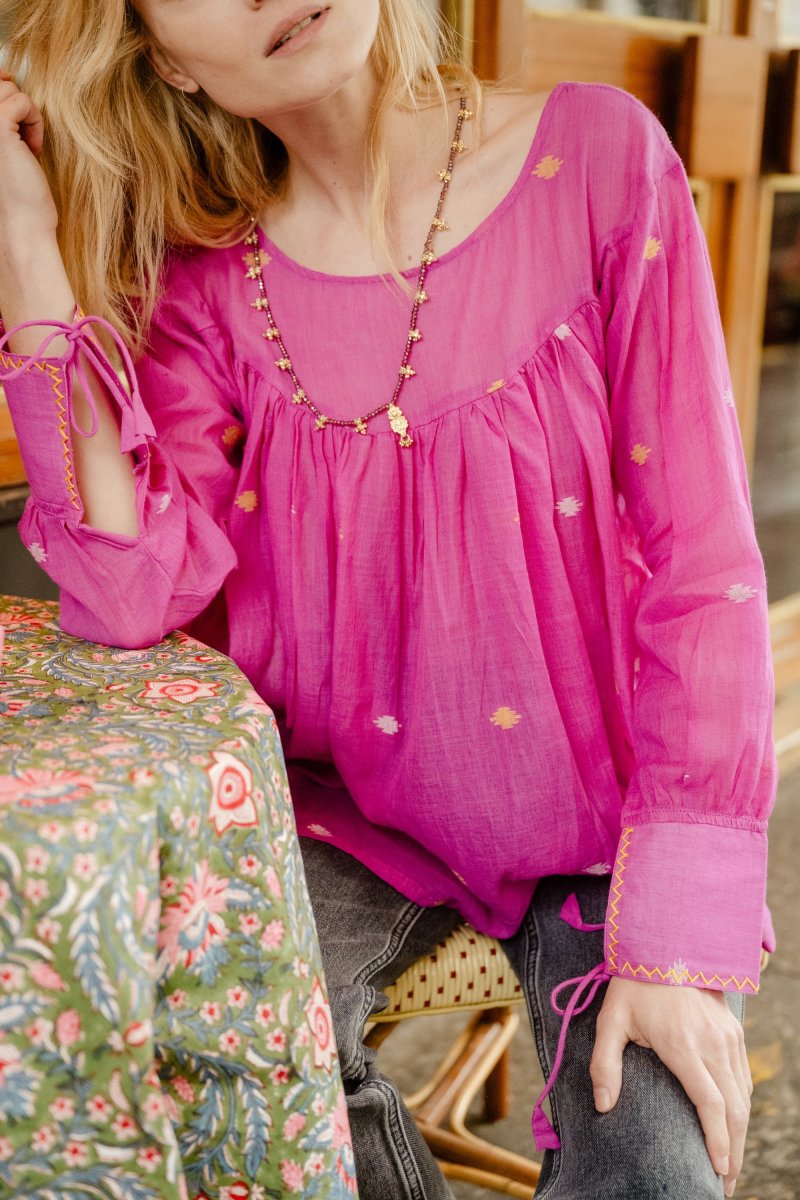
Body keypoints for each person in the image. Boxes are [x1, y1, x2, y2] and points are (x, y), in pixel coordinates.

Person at [0, 1, 777, 1197]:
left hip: (613, 815)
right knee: (216, 1080)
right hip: (343, 811)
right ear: (165, 62)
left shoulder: (597, 156)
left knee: (656, 1168)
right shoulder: (206, 283)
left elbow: (702, 564)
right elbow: (128, 590)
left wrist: (671, 952)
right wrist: (24, 242)